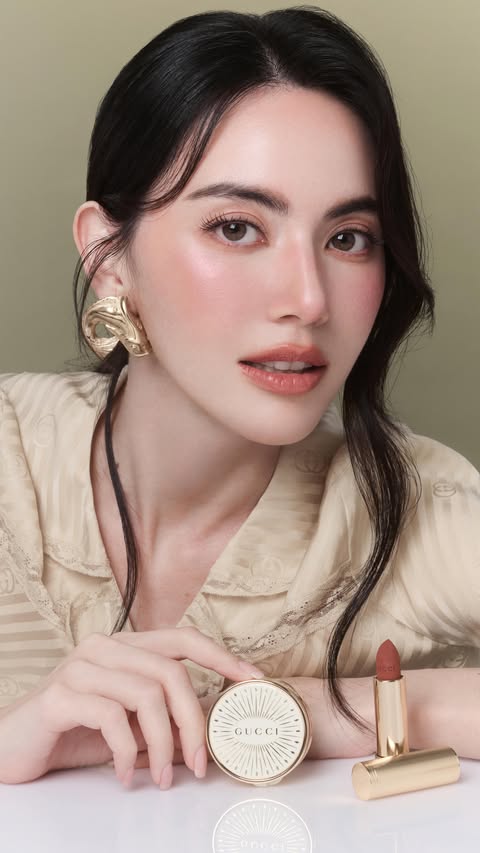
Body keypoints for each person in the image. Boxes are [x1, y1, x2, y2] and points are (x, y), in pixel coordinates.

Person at [0, 6, 479, 790]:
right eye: (236, 228)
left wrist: (327, 707)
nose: (308, 299)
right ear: (108, 255)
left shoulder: (420, 509)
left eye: (348, 238)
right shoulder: (11, 466)